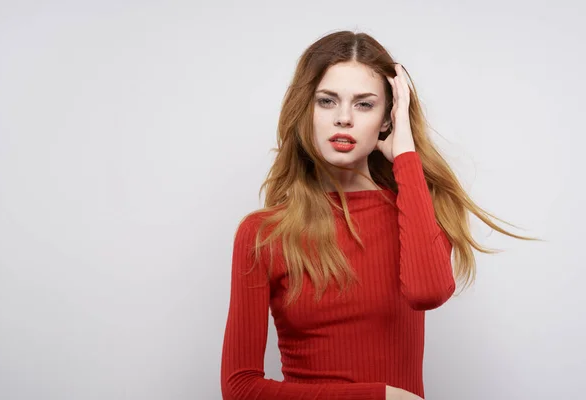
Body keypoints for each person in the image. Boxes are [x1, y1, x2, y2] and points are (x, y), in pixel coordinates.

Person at [220, 30, 537, 400]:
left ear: (387, 120)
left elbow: (428, 292)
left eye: (364, 104)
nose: (343, 118)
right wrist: (379, 397)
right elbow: (240, 389)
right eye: (327, 101)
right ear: (306, 110)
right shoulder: (263, 233)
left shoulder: (416, 213)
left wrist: (405, 155)